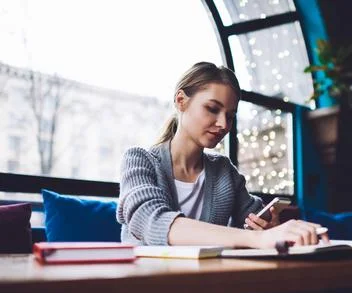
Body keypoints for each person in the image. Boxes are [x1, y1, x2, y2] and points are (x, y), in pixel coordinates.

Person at [116, 62, 328, 249]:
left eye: (230, 116)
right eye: (212, 109)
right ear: (181, 100)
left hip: (210, 282)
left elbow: (255, 217)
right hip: (148, 285)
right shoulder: (139, 161)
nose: (223, 125)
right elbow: (152, 222)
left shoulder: (223, 171)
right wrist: (256, 240)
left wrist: (268, 227)